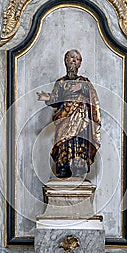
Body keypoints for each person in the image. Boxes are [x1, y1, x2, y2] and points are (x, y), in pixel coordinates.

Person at [37, 49, 101, 178]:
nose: (74, 60)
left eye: (77, 59)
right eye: (71, 58)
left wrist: (82, 87)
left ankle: (79, 167)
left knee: (79, 140)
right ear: (66, 61)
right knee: (63, 141)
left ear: (79, 64)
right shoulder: (60, 82)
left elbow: (94, 97)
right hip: (64, 118)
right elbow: (56, 100)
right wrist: (47, 98)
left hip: (81, 117)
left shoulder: (84, 81)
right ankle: (64, 166)